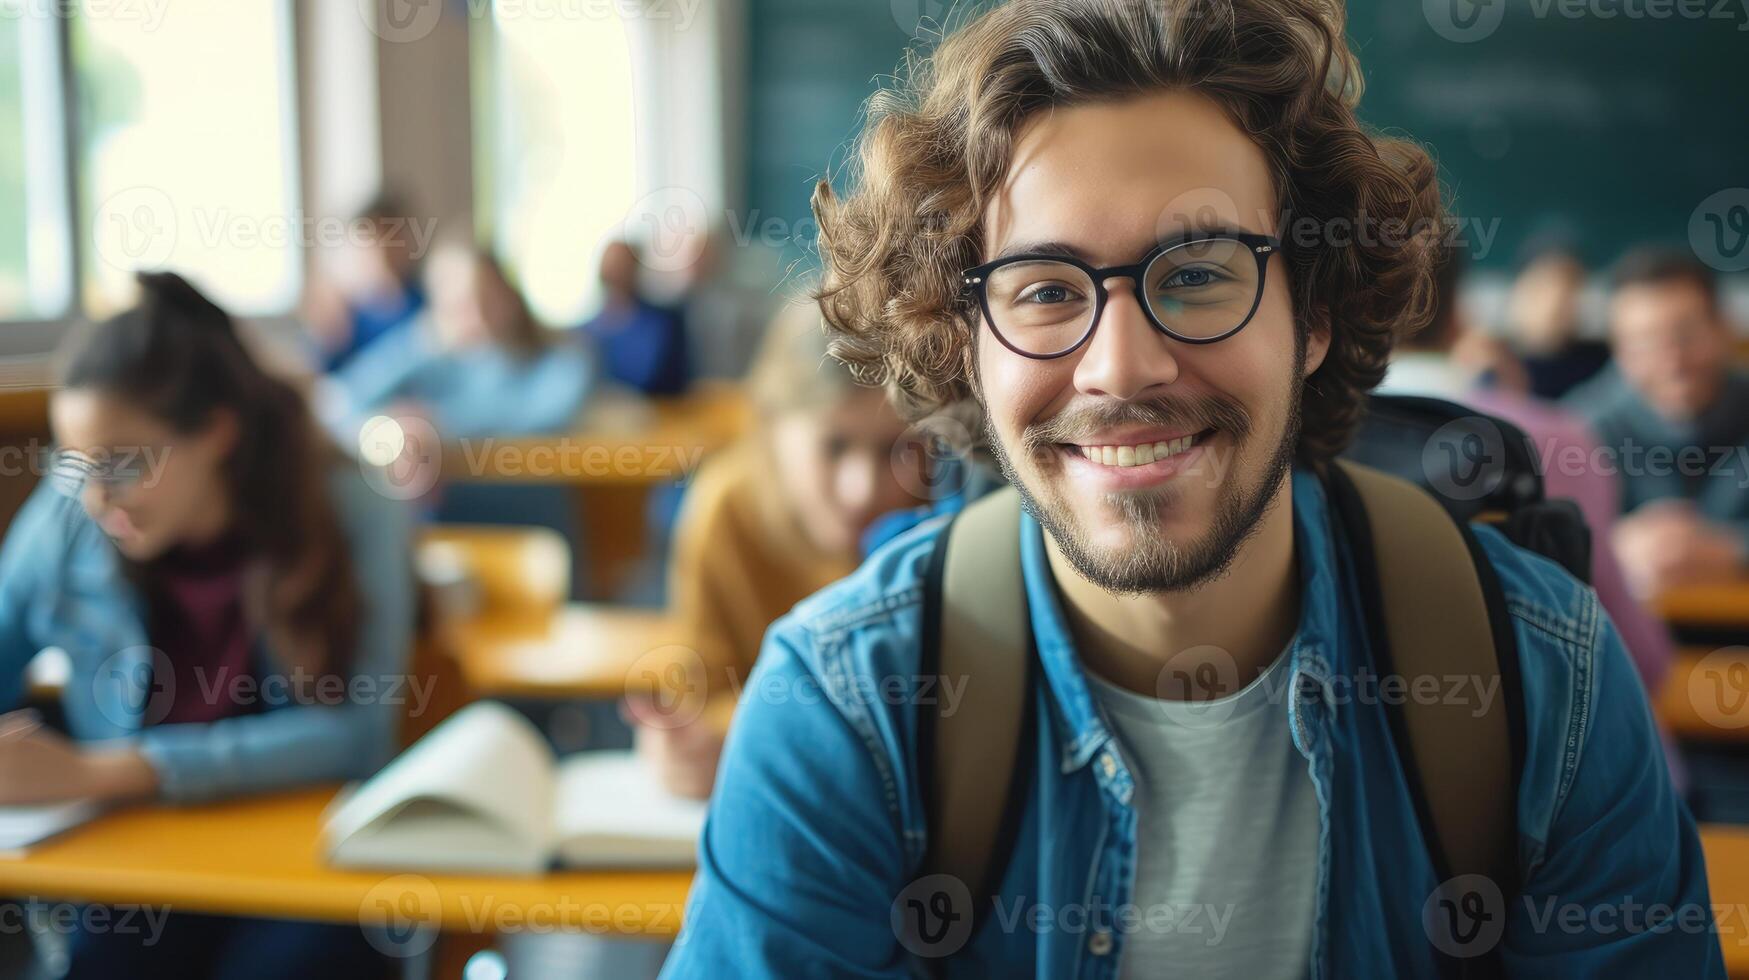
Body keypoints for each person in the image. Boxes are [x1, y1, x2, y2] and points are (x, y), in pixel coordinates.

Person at [661, 1, 1718, 977]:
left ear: (1315, 313)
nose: (1121, 368)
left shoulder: (1546, 682)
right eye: (1042, 289)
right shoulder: (844, 711)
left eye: (1201, 271)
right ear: (962, 344)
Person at [0, 273, 413, 976]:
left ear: (217, 433)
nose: (97, 496)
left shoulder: (350, 508)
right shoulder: (71, 510)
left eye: (124, 463)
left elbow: (355, 736)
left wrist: (108, 771)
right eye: (75, 462)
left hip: (309, 872)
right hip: (140, 870)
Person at [625, 300, 927, 800]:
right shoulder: (725, 509)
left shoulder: (941, 508)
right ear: (771, 426)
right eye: (834, 446)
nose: (863, 489)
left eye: (894, 450)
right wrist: (690, 747)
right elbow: (702, 694)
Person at [1571, 248, 1749, 599]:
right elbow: (1542, 544)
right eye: (1645, 343)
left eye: (1686, 335)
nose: (1672, 363)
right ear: (1619, 351)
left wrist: (1730, 550)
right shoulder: (1578, 429)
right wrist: (1614, 548)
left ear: (1722, 329)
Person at [324, 241, 594, 442]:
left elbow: (539, 418)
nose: (477, 316)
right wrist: (418, 342)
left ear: (510, 296)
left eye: (486, 299)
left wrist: (432, 424)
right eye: (458, 305)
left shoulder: (564, 358)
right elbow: (340, 403)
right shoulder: (429, 359)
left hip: (532, 512)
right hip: (444, 515)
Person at [304, 193, 429, 372]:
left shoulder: (428, 304)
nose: (382, 250)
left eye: (391, 238)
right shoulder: (346, 315)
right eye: (372, 241)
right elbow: (325, 380)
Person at [1500, 243, 1611, 401]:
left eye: (1571, 291)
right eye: (1540, 289)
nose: (1554, 302)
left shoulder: (1602, 363)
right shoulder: (1495, 359)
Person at [580, 241, 689, 396]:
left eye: (621, 264)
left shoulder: (661, 324)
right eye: (611, 264)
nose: (616, 270)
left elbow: (652, 377)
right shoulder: (585, 331)